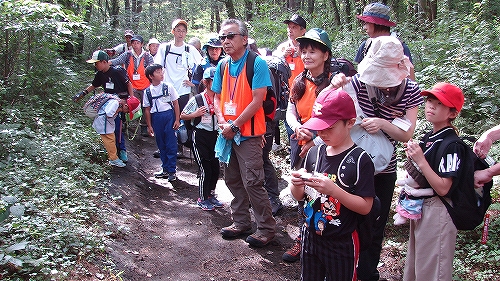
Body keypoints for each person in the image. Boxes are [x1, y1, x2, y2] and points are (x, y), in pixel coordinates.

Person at [329, 35, 423, 281]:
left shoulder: (411, 91)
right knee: (345, 215)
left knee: (375, 222)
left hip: (384, 166)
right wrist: (334, 83)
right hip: (354, 162)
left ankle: (367, 272)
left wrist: (382, 123)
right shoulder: (360, 83)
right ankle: (343, 266)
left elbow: (407, 133)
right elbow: (334, 107)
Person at [289, 88, 375, 281]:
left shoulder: (360, 160)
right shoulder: (314, 153)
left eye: (330, 127)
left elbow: (366, 206)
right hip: (310, 235)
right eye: (319, 127)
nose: (323, 133)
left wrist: (334, 191)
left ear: (350, 123)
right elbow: (301, 197)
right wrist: (296, 184)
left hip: (341, 240)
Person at [212, 18, 276, 247]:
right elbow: (216, 96)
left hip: (247, 135)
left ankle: (266, 229)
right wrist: (221, 121)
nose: (226, 41)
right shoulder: (222, 65)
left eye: (230, 36)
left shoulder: (257, 64)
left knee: (253, 182)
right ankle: (241, 222)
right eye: (223, 37)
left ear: (244, 39)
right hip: (227, 132)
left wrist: (235, 125)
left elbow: (258, 100)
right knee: (233, 179)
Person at [403, 82, 466, 281]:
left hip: (439, 210)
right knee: (416, 266)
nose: (431, 106)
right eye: (429, 100)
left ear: (452, 113)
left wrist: (420, 160)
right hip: (421, 207)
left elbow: (443, 187)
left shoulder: (452, 144)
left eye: (439, 103)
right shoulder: (430, 137)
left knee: (432, 271)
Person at [282, 28, 333, 263]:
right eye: (304, 51)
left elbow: (341, 121)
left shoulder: (334, 83)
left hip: (327, 148)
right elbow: (291, 110)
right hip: (300, 143)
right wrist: (296, 128)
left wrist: (315, 140)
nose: (307, 55)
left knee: (324, 193)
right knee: (301, 191)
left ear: (326, 55)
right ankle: (304, 236)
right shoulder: (300, 81)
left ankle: (325, 238)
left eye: (313, 51)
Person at [74, 50, 134, 163]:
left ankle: (122, 150)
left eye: (96, 63)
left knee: (118, 127)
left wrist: (130, 99)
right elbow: (94, 85)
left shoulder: (117, 71)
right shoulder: (100, 74)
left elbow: (128, 84)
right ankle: (114, 152)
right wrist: (82, 94)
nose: (95, 65)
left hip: (120, 102)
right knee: (110, 127)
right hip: (108, 103)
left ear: (104, 61)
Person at [154, 19, 203, 157]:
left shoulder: (190, 49)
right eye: (178, 30)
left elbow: (202, 66)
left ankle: (179, 147)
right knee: (166, 118)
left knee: (181, 118)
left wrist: (194, 82)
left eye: (183, 31)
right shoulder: (165, 48)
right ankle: (164, 147)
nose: (181, 33)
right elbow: (156, 66)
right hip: (166, 90)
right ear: (173, 31)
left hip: (183, 90)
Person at [180, 67, 222, 210]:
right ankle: (202, 198)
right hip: (200, 135)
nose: (217, 83)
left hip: (215, 136)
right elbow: (182, 115)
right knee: (205, 167)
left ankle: (211, 195)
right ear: (205, 82)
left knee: (215, 168)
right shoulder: (197, 99)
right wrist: (196, 114)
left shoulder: (220, 97)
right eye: (213, 80)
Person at [355, 2, 415, 80]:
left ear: (376, 23)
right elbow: (359, 76)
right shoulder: (365, 46)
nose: (364, 27)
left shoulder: (400, 47)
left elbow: (411, 80)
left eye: (366, 23)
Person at [110, 35, 155, 137]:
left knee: (145, 106)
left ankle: (144, 126)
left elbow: (152, 69)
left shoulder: (148, 56)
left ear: (142, 44)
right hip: (131, 86)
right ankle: (125, 123)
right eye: (133, 43)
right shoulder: (127, 54)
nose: (135, 45)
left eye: (137, 43)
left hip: (145, 86)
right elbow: (116, 61)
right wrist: (106, 63)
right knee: (129, 104)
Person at [274, 14, 307, 146]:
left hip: (305, 91)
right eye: (289, 27)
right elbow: (272, 67)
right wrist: (282, 56)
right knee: (290, 125)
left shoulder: (308, 47)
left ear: (303, 30)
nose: (290, 30)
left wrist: (302, 54)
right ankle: (293, 151)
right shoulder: (282, 48)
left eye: (294, 27)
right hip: (287, 93)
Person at [143, 64, 181, 182]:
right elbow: (147, 109)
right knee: (161, 144)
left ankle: (172, 170)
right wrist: (149, 126)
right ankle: (165, 168)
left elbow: (175, 103)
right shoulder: (147, 91)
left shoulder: (168, 87)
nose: (161, 74)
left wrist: (177, 119)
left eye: (161, 72)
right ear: (151, 76)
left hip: (168, 116)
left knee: (171, 144)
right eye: (158, 72)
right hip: (156, 118)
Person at [92, 95, 141, 168]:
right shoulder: (115, 103)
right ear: (125, 106)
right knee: (110, 140)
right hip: (103, 123)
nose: (127, 113)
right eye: (128, 111)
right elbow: (109, 114)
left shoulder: (117, 102)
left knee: (111, 139)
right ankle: (113, 159)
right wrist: (118, 110)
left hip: (107, 123)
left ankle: (112, 156)